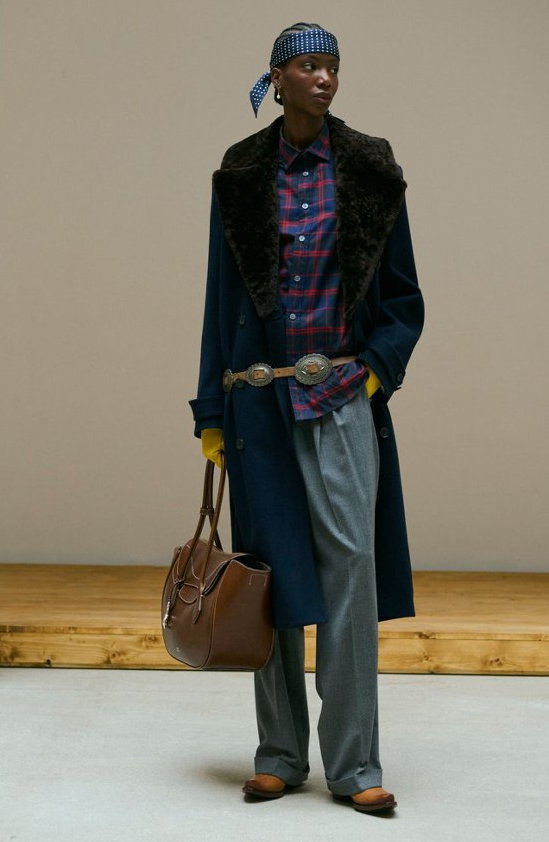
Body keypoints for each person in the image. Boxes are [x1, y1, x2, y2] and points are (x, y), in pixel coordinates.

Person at [190, 22, 424, 814]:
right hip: (257, 405)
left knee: (350, 573)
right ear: (278, 77)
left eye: (332, 67)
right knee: (269, 574)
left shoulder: (368, 166)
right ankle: (280, 755)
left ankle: (354, 765)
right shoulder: (240, 172)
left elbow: (402, 298)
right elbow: (220, 301)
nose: (323, 78)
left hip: (338, 399)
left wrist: (372, 373)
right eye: (309, 66)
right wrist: (211, 411)